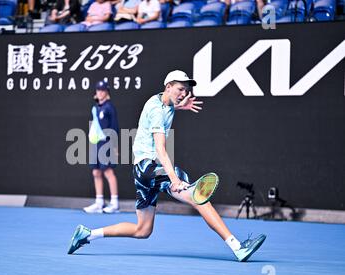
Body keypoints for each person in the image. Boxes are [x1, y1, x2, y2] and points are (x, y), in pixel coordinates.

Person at [68, 70, 267, 262]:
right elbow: (161, 149)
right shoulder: (156, 111)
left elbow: (167, 106)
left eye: (186, 90)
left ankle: (87, 234)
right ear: (168, 86)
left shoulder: (160, 100)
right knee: (199, 197)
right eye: (180, 89)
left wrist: (181, 106)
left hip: (140, 171)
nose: (184, 93)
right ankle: (237, 247)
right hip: (151, 167)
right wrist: (174, 179)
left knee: (142, 230)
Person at [84, 80, 120, 214]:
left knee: (108, 172)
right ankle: (99, 202)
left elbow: (115, 127)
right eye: (98, 90)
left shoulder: (109, 107)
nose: (100, 93)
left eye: (102, 90)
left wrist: (115, 146)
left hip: (107, 143)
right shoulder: (96, 108)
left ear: (107, 92)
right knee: (96, 172)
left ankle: (115, 203)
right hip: (96, 143)